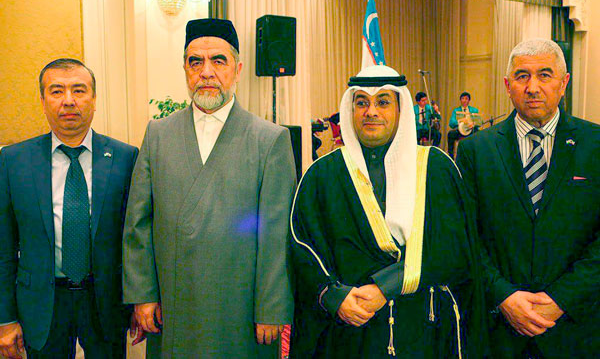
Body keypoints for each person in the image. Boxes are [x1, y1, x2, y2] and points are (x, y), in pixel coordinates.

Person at [122, 18, 296, 358]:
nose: (206, 72)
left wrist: (272, 308)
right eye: (195, 62)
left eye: (218, 61)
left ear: (237, 69)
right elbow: (138, 223)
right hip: (174, 302)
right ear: (185, 70)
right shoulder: (158, 134)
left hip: (242, 307)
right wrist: (143, 295)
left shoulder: (270, 139)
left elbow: (276, 235)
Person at [290, 65, 486, 358]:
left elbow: (455, 247)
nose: (371, 111)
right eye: (362, 103)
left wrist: (385, 287)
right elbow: (301, 244)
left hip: (422, 329)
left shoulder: (436, 168)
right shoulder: (322, 174)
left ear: (400, 109)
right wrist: (333, 296)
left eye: (383, 102)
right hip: (348, 328)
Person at [457, 38, 600, 358]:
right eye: (522, 76)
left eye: (545, 75)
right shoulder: (475, 151)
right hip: (499, 330)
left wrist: (562, 298)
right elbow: (467, 237)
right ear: (508, 86)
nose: (533, 87)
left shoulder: (596, 145)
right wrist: (504, 296)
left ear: (564, 83)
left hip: (576, 329)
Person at [0, 59, 139, 358]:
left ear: (94, 99)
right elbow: (3, 246)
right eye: (56, 91)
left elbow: (136, 240)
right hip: (41, 303)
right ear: (42, 101)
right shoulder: (13, 161)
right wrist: (5, 319)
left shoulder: (126, 157)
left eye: (79, 90)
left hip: (105, 301)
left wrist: (139, 301)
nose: (68, 100)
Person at [447, 92, 479, 158]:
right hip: (460, 131)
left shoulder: (474, 110)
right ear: (460, 100)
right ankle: (451, 156)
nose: (464, 100)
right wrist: (459, 121)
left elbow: (479, 122)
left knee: (478, 134)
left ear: (469, 100)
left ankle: (476, 156)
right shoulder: (456, 110)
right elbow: (451, 123)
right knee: (450, 134)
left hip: (470, 130)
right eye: (463, 98)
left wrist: (474, 124)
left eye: (466, 99)